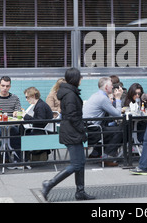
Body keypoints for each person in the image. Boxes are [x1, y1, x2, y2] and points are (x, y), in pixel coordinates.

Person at [41, 68, 95, 201]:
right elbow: (72, 115)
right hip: (72, 132)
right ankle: (49, 184)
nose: (82, 79)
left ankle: (80, 192)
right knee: (76, 164)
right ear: (76, 79)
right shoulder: (70, 94)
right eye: (80, 77)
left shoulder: (69, 92)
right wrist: (82, 129)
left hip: (71, 131)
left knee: (80, 162)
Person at [82, 77, 124, 165]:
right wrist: (118, 98)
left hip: (87, 128)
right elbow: (117, 114)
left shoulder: (96, 95)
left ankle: (96, 153)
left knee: (111, 129)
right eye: (111, 86)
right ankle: (107, 157)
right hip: (93, 131)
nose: (113, 87)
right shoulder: (103, 98)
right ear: (106, 88)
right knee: (121, 130)